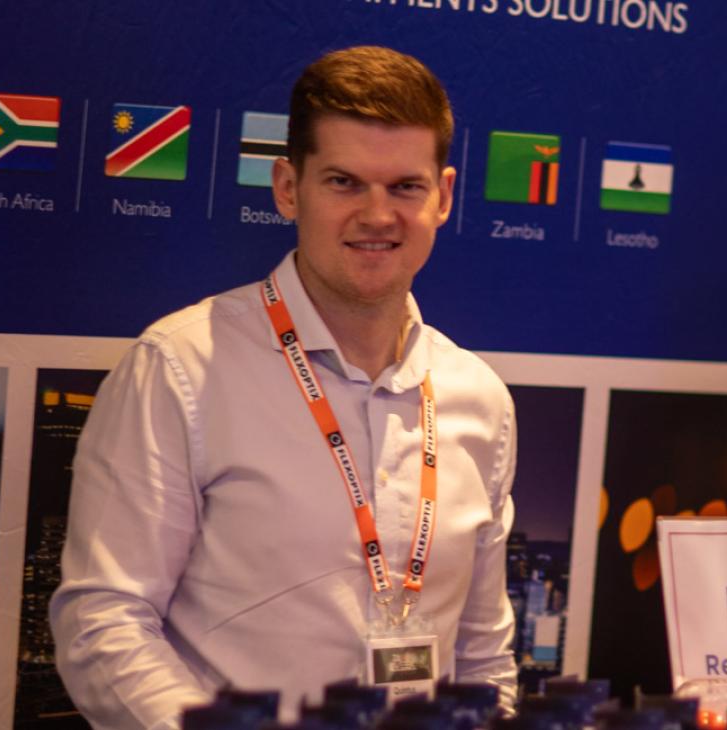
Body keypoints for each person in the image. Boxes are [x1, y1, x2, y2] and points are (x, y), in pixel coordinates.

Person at [50, 46, 517, 728]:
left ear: (442, 196)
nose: (377, 214)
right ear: (288, 188)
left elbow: (482, 658)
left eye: (404, 187)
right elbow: (104, 622)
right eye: (344, 183)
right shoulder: (180, 367)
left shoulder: (480, 397)